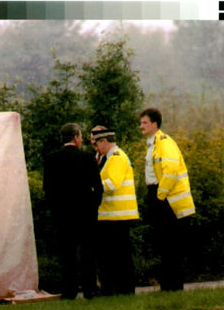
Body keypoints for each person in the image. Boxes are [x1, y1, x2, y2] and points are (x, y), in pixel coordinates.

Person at [43, 123, 103, 299]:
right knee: (87, 254)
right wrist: (93, 207)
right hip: (86, 214)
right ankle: (89, 289)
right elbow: (98, 188)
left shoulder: (51, 159)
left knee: (67, 255)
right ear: (76, 138)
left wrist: (55, 210)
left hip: (62, 215)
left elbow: (48, 189)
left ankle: (69, 291)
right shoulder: (87, 158)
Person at [139, 107, 195, 291]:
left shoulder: (164, 142)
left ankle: (173, 286)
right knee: (165, 244)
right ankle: (168, 286)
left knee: (171, 244)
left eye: (144, 123)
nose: (141, 126)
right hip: (160, 196)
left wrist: (160, 196)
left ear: (155, 124)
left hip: (168, 200)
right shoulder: (153, 144)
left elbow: (170, 171)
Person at [90, 127, 138, 295]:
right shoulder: (109, 158)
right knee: (113, 255)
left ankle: (125, 289)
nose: (94, 147)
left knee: (120, 256)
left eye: (96, 143)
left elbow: (113, 183)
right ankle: (116, 289)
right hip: (112, 214)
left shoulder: (117, 158)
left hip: (119, 214)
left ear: (104, 141)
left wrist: (91, 188)